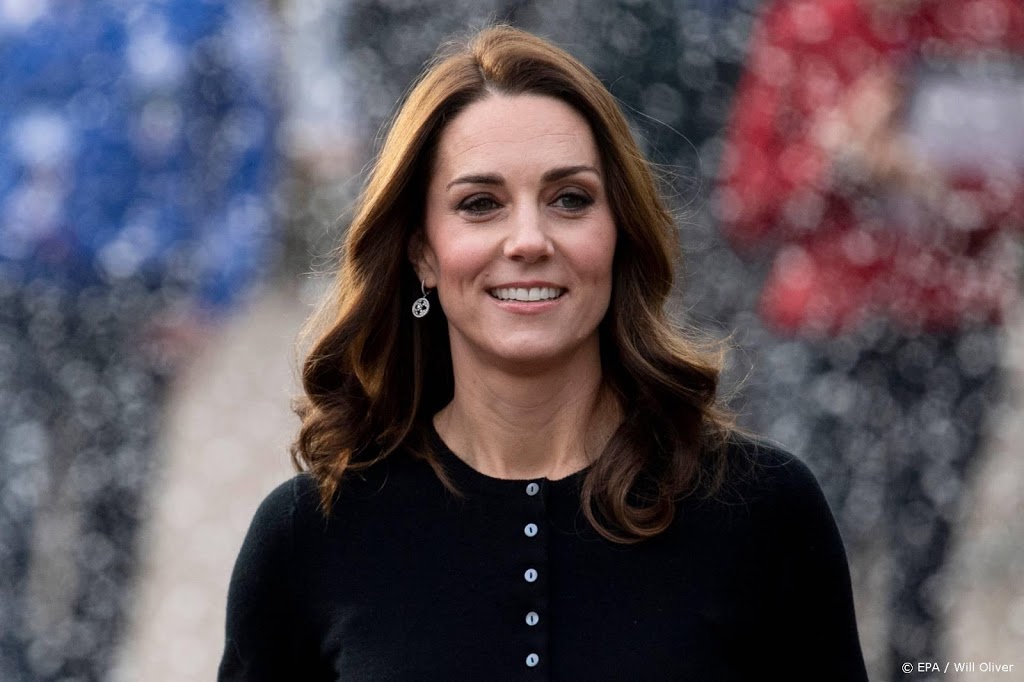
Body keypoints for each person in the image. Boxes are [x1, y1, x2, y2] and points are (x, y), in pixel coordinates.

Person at [219, 25, 867, 680]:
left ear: (619, 233)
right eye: (480, 204)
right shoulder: (309, 534)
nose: (529, 239)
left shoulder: (762, 510)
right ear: (422, 252)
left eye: (570, 199)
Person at [716, 0, 1024, 677]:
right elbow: (745, 203)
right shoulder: (807, 24)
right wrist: (837, 156)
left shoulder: (993, 22)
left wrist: (942, 186)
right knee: (810, 551)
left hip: (952, 327)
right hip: (826, 333)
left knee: (925, 574)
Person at [0, 1, 279, 679]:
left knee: (109, 515)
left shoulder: (207, 13)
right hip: (12, 287)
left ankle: (87, 670)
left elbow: (249, 135)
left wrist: (216, 287)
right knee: (9, 497)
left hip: (138, 300)